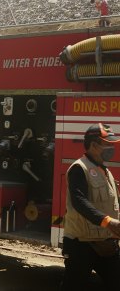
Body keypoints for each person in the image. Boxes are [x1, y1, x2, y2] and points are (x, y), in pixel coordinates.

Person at [61, 123, 120, 290]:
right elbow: (79, 202)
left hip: (106, 243)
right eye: (107, 144)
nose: (111, 147)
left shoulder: (105, 170)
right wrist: (108, 222)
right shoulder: (79, 168)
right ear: (94, 145)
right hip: (81, 244)